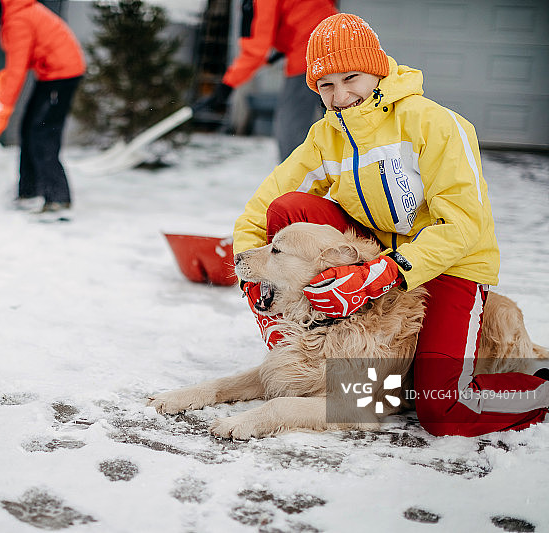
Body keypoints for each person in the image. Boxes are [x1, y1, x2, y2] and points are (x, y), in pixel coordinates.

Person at [233, 13, 549, 437]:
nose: (341, 95)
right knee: (289, 208)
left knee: (442, 409)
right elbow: (266, 204)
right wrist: (252, 274)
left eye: (351, 78)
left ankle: (539, 387)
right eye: (326, 85)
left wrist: (386, 272)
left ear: (377, 69)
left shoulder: (434, 123)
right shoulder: (327, 135)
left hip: (450, 266)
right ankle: (343, 365)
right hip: (377, 257)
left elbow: (465, 223)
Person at [0, 0, 86, 214]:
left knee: (42, 134)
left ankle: (58, 198)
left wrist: (2, 109)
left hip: (62, 74)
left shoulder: (17, 21)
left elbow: (17, 70)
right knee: (28, 128)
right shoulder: (14, 15)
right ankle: (29, 191)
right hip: (50, 73)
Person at [197, 0, 336, 162]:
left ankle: (293, 182)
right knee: (338, 121)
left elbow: (256, 51)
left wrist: (227, 85)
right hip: (333, 44)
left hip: (310, 54)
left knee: (290, 128)